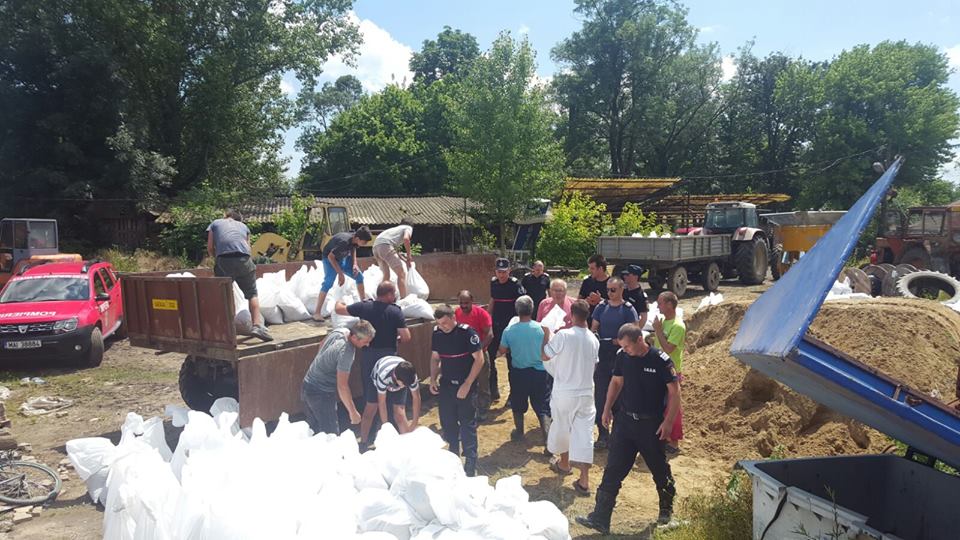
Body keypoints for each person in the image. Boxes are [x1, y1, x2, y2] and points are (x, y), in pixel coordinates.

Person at [576, 323, 680, 534]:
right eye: (622, 346)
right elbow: (616, 382)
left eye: (627, 346)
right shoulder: (623, 357)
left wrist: (668, 422)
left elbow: (675, 392)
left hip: (651, 425)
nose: (624, 350)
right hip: (625, 422)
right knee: (613, 468)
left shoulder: (660, 360)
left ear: (639, 340)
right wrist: (606, 409)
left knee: (659, 469)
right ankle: (600, 517)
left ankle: (666, 512)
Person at [334, 281, 411, 450]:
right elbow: (406, 337)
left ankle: (364, 442)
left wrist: (339, 300)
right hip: (390, 360)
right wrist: (396, 340)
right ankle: (403, 444)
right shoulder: (395, 311)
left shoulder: (364, 307)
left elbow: (339, 310)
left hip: (369, 359)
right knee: (397, 407)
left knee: (371, 403)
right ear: (389, 295)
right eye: (394, 293)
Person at [542, 299, 599, 496]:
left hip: (565, 392)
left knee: (562, 428)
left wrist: (546, 334)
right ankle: (584, 479)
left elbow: (545, 355)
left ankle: (565, 464)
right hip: (586, 392)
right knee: (584, 435)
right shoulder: (594, 339)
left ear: (572, 315)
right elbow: (594, 365)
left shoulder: (564, 335)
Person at [430, 304, 485, 476]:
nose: (443, 327)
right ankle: (453, 455)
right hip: (447, 385)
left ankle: (470, 461)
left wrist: (467, 383)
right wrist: (432, 378)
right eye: (439, 324)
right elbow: (435, 358)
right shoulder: (437, 334)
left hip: (465, 385)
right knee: (448, 422)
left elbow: (479, 359)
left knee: (467, 424)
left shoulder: (467, 333)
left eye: (445, 323)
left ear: (454, 317)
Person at [206, 210, 272, 342]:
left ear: (226, 216)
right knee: (252, 294)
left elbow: (210, 247)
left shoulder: (215, 223)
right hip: (245, 259)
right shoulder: (244, 226)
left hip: (224, 259)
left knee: (226, 294)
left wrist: (217, 259)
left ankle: (229, 328)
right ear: (238, 219)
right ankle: (257, 326)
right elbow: (248, 248)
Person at [300, 321, 375, 435]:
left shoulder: (340, 331)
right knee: (331, 435)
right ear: (355, 337)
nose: (368, 345)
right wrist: (353, 412)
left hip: (307, 384)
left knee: (313, 431)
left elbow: (322, 344)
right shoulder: (346, 352)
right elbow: (342, 386)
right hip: (321, 393)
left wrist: (323, 364)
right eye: (365, 342)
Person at [591, 277, 638, 449]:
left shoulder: (628, 309)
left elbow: (635, 332)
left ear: (621, 290)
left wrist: (619, 342)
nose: (610, 293)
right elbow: (593, 329)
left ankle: (618, 436)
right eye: (608, 289)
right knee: (601, 396)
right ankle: (603, 435)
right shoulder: (601, 307)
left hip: (621, 357)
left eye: (613, 290)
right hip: (603, 357)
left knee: (620, 397)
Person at [498, 296, 550, 444]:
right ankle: (547, 438)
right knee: (542, 406)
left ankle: (519, 432)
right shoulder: (542, 329)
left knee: (517, 402)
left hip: (519, 373)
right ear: (532, 309)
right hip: (540, 372)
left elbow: (502, 350)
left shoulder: (509, 330)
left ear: (517, 310)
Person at [313, 226, 373, 321]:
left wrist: (354, 264)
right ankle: (317, 313)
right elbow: (330, 257)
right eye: (364, 242)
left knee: (359, 276)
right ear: (358, 239)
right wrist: (340, 274)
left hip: (342, 257)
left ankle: (364, 304)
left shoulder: (354, 240)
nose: (365, 244)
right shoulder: (344, 242)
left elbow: (353, 249)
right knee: (328, 282)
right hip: (329, 259)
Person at [652, 291, 686, 453]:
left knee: (673, 407)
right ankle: (663, 437)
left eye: (660, 303)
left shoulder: (677, 326)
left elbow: (668, 348)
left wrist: (658, 331)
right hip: (658, 371)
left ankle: (674, 442)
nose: (658, 306)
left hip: (671, 372)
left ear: (670, 305)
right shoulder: (664, 322)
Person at [489, 257, 525, 402]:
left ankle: (513, 395)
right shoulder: (493, 283)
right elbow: (492, 301)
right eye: (499, 272)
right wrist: (488, 319)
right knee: (490, 358)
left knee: (512, 362)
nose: (501, 275)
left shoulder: (515, 284)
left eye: (504, 272)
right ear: (495, 272)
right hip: (496, 326)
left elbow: (522, 304)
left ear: (509, 271)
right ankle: (493, 390)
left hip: (511, 328)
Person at [456, 290, 494, 417]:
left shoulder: (481, 314)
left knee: (483, 383)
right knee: (467, 382)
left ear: (472, 301)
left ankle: (483, 409)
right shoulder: (456, 313)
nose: (463, 306)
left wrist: (478, 350)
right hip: (464, 356)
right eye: (461, 303)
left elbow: (490, 335)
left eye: (466, 303)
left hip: (480, 354)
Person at [371, 355, 421, 434]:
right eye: (404, 384)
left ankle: (406, 438)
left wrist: (414, 423)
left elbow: (416, 397)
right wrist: (386, 427)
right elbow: (382, 402)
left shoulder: (411, 376)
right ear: (396, 377)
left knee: (399, 414)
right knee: (372, 407)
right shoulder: (383, 377)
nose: (405, 386)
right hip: (379, 376)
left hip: (398, 379)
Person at [373, 218, 415, 298]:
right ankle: (403, 299)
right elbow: (406, 239)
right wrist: (409, 256)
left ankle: (380, 298)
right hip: (385, 246)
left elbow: (394, 250)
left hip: (376, 247)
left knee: (386, 275)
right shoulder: (408, 228)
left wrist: (405, 260)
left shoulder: (394, 230)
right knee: (401, 273)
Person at [578, 254, 610, 324]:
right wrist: (585, 302)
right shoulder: (587, 282)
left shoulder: (612, 283)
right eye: (589, 268)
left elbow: (618, 304)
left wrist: (600, 300)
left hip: (606, 322)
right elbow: (578, 302)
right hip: (587, 322)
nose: (589, 270)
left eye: (592, 268)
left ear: (600, 269)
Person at [620, 265, 650, 329]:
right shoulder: (622, 290)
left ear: (635, 277)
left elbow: (644, 318)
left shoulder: (640, 295)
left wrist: (635, 331)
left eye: (627, 275)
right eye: (624, 274)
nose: (624, 276)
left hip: (630, 327)